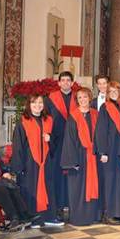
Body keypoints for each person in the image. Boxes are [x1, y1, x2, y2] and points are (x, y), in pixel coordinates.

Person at [13, 95, 63, 228]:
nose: (38, 105)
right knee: (32, 190)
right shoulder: (23, 122)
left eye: (40, 102)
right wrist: (19, 167)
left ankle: (49, 217)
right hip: (30, 163)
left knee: (48, 188)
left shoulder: (49, 120)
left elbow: (56, 142)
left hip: (47, 162)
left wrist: (49, 138)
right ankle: (34, 219)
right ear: (29, 105)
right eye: (34, 103)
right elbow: (18, 145)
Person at [61, 88, 101, 226]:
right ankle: (78, 217)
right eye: (79, 98)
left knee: (94, 186)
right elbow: (69, 140)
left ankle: (93, 216)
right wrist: (73, 162)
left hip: (93, 157)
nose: (83, 100)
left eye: (85, 97)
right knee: (78, 189)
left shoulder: (96, 114)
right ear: (77, 100)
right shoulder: (73, 116)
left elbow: (100, 137)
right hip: (78, 157)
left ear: (90, 98)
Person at [95, 81, 120, 225]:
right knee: (109, 182)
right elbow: (100, 131)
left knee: (119, 182)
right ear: (107, 93)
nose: (114, 93)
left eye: (116, 91)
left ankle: (119, 212)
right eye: (111, 91)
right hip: (109, 149)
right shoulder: (105, 107)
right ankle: (108, 213)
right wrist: (103, 151)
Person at [44, 71, 77, 211]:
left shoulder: (79, 98)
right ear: (58, 83)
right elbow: (46, 118)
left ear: (72, 83)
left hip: (74, 141)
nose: (65, 82)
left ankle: (71, 202)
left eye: (68, 80)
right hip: (57, 141)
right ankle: (58, 203)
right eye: (62, 80)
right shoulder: (51, 98)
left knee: (72, 171)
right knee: (57, 172)